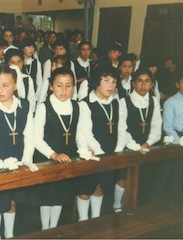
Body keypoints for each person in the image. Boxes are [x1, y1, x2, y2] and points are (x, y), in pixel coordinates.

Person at [0, 66, 35, 239]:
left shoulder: (24, 105)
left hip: (17, 164)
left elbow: (29, 135)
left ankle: (9, 235)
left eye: (5, 85)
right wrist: (1, 166)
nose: (0, 90)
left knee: (12, 202)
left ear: (16, 85)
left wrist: (26, 160)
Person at [33, 67, 79, 229]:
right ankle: (46, 230)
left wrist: (85, 150)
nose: (64, 90)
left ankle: (54, 228)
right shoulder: (44, 107)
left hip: (67, 159)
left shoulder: (77, 106)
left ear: (73, 87)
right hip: (48, 159)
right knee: (47, 197)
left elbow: (80, 135)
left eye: (68, 85)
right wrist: (53, 154)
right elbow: (36, 138)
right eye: (59, 85)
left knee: (60, 195)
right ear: (51, 86)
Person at [76, 67, 121, 221]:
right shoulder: (86, 103)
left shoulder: (115, 103)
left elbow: (119, 129)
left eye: (114, 82)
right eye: (106, 81)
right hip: (92, 153)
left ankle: (95, 220)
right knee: (85, 189)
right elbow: (86, 133)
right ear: (97, 81)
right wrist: (100, 153)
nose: (111, 85)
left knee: (99, 187)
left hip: (108, 152)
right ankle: (83, 221)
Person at [115, 68, 162, 211]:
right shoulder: (124, 101)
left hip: (146, 146)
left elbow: (156, 126)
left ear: (151, 84)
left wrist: (147, 143)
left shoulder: (153, 101)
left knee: (142, 178)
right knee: (123, 179)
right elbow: (122, 129)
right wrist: (135, 146)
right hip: (128, 145)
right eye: (139, 81)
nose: (143, 85)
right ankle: (116, 206)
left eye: (147, 81)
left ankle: (132, 206)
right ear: (133, 83)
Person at [155, 72, 183, 210]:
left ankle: (178, 202)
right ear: (177, 85)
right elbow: (167, 127)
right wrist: (181, 142)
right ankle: (163, 204)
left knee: (181, 176)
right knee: (171, 173)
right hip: (174, 140)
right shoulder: (170, 102)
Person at [40, 39, 77, 103]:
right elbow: (45, 80)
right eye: (56, 49)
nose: (58, 51)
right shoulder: (49, 62)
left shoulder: (70, 63)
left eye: (61, 49)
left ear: (66, 51)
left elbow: (73, 80)